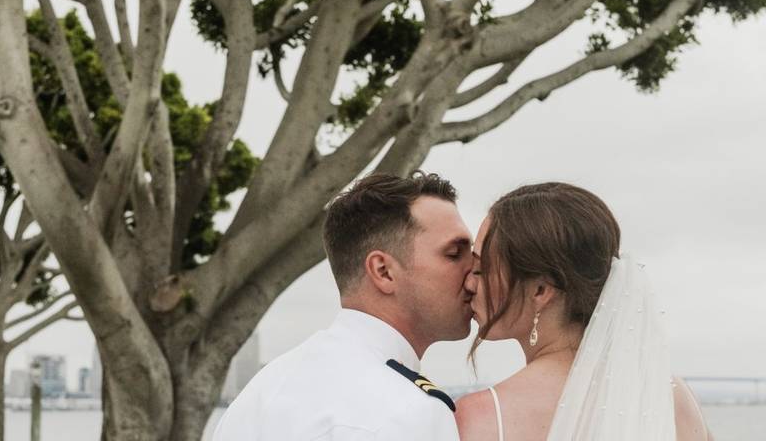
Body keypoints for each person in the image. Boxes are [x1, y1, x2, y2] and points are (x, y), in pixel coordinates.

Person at [212, 171, 474, 440]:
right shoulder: (410, 413)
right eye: (454, 254)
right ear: (383, 271)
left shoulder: (258, 396)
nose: (476, 271)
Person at [455, 182, 712, 441]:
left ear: (541, 290)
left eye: (481, 269)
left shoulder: (486, 415)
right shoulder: (675, 398)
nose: (469, 283)